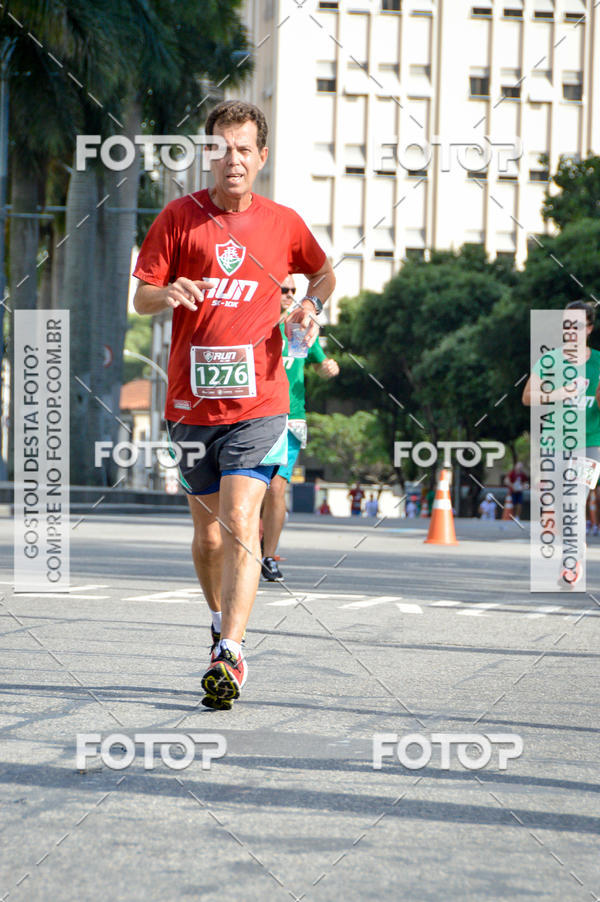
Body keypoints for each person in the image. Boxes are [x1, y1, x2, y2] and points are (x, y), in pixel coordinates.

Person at [132, 100, 335, 709]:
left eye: (244, 148)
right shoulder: (178, 218)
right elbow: (140, 298)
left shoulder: (284, 223)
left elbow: (323, 276)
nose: (233, 159)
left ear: (261, 157)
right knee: (210, 539)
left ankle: (231, 651)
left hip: (262, 402)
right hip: (191, 405)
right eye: (221, 147)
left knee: (241, 522)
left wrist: (310, 306)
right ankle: (220, 622)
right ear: (208, 154)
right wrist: (167, 292)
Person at [261, 274, 339, 581]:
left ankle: (269, 556)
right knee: (252, 488)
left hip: (290, 417)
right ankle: (251, 543)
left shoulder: (297, 329)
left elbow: (319, 362)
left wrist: (328, 367)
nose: (290, 294)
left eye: (294, 290)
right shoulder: (258, 326)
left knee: (277, 487)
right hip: (256, 416)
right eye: (284, 289)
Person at [522, 299, 600, 586]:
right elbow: (528, 397)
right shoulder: (549, 360)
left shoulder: (599, 363)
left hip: (590, 443)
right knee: (556, 502)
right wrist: (559, 392)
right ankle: (576, 544)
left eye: (577, 325)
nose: (570, 330)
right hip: (554, 442)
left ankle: (570, 563)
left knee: (573, 499)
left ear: (589, 329)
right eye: (566, 324)